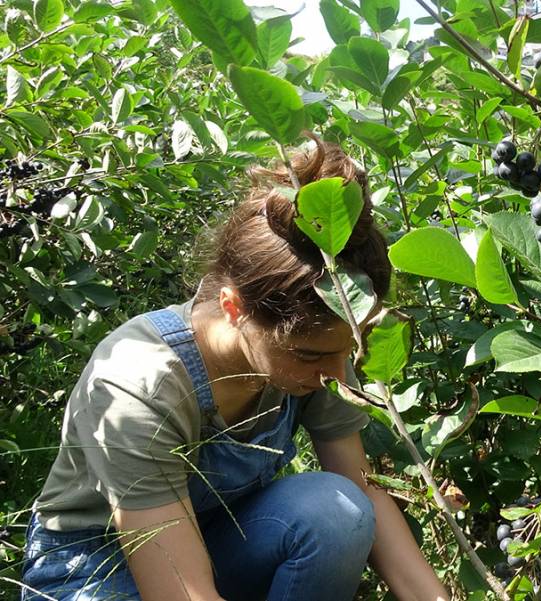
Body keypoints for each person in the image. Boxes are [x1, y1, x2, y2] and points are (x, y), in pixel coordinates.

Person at [19, 135, 450, 601]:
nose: (335, 375)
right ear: (233, 307)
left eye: (347, 350)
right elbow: (182, 594)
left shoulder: (322, 350)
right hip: (94, 572)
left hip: (215, 543)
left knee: (336, 511)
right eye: (309, 356)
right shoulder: (140, 386)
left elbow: (362, 490)